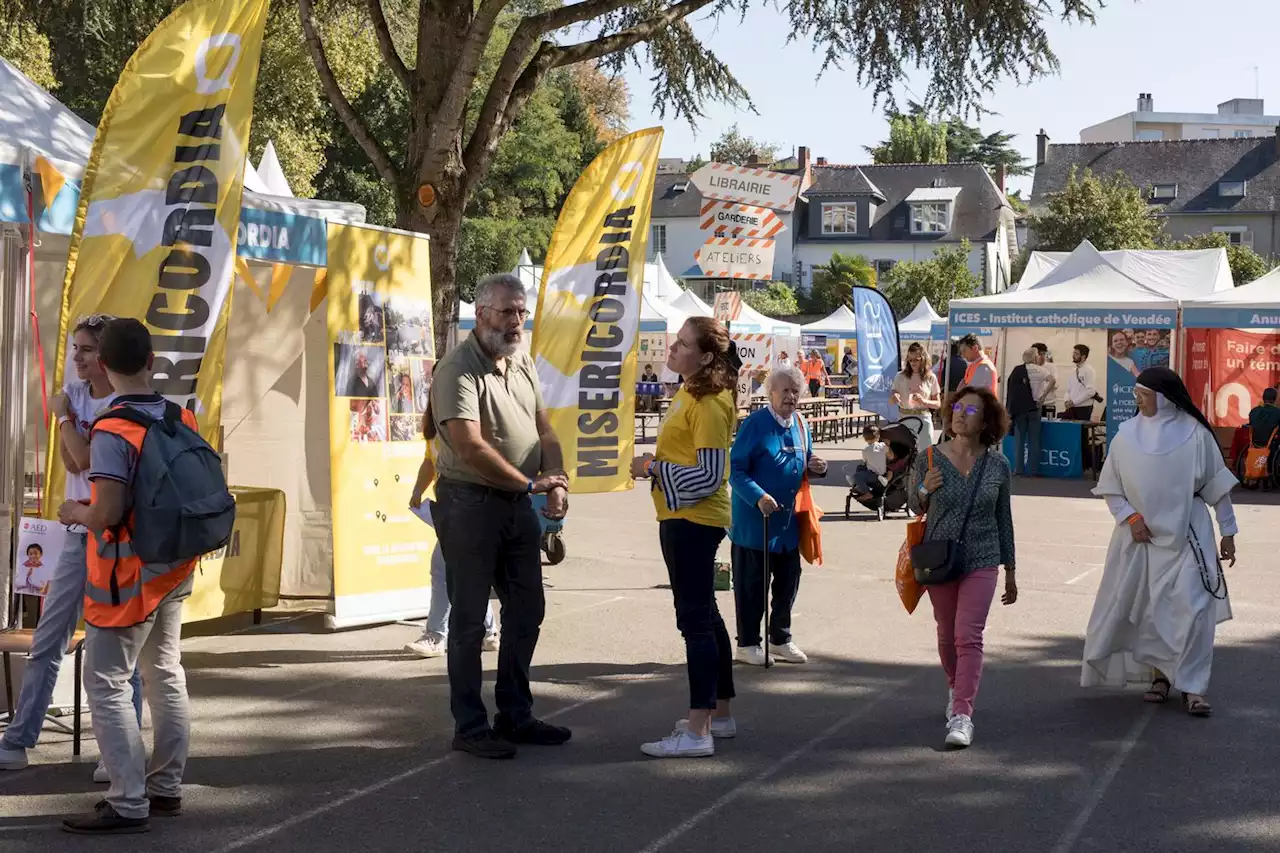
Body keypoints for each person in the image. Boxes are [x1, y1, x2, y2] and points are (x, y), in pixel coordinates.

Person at [56, 318, 210, 833]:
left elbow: (106, 511)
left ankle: (127, 800)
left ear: (103, 365)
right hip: (173, 566)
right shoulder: (179, 415)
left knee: (105, 680)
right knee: (164, 673)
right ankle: (165, 788)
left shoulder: (112, 427)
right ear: (150, 361)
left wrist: (75, 511)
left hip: (126, 576)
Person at [429, 273, 570, 760]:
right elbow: (468, 446)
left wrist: (557, 479)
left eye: (521, 312)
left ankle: (516, 714)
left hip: (516, 503)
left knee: (528, 608)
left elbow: (544, 429)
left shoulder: (521, 359)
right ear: (481, 312)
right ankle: (470, 727)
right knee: (469, 621)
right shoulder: (457, 368)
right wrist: (531, 483)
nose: (516, 321)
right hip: (469, 503)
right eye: (507, 311)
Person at [0, 314, 144, 785]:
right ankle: (19, 740)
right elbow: (68, 460)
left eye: (85, 350)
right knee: (48, 638)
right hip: (78, 534)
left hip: (116, 536)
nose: (76, 358)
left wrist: (64, 418)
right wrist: (68, 421)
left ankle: (119, 750)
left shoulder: (119, 404)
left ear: (105, 357)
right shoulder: (76, 395)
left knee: (120, 651)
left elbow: (82, 458)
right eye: (74, 348)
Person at [1083, 367, 1238, 717]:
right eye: (1136, 394)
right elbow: (1111, 488)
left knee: (1195, 611)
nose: (1137, 400)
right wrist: (1130, 517)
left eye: (1144, 395)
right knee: (1152, 612)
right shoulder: (1126, 435)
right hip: (1141, 540)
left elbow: (1217, 486)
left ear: (1165, 399)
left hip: (1190, 535)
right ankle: (1160, 678)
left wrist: (1228, 532)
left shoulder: (1196, 434)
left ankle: (1195, 687)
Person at [630, 317, 739, 758]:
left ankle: (698, 731)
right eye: (674, 342)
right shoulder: (691, 390)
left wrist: (653, 468)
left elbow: (711, 475)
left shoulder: (710, 402)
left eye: (682, 344)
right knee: (706, 617)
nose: (672, 350)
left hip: (694, 519)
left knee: (694, 620)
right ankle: (720, 716)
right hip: (683, 516)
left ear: (707, 356)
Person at [909, 385, 1017, 749]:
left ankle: (962, 714)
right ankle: (956, 686)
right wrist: (924, 489)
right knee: (946, 634)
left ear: (985, 421)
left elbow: (1005, 518)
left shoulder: (998, 464)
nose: (960, 414)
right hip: (940, 558)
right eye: (957, 407)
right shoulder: (928, 458)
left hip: (983, 559)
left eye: (970, 410)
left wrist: (1011, 569)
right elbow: (913, 505)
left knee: (968, 635)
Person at [727, 365, 828, 667]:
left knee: (787, 584)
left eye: (795, 391)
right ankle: (747, 644)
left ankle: (780, 639)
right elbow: (735, 469)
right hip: (754, 524)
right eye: (784, 390)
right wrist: (758, 496)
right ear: (770, 392)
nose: (790, 396)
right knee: (751, 588)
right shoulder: (755, 424)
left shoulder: (800, 423)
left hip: (786, 525)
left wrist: (815, 466)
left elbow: (804, 459)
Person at [406, 407, 499, 659]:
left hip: (471, 507)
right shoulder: (435, 424)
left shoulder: (469, 420)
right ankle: (488, 632)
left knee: (443, 569)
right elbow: (430, 461)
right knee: (463, 570)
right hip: (450, 508)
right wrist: (417, 490)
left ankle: (436, 635)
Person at [1006, 348, 1054, 476]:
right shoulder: (1042, 370)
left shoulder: (1017, 370)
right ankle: (1033, 470)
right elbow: (1053, 380)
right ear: (1034, 357)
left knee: (1019, 441)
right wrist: (1043, 396)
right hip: (1035, 407)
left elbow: (1011, 389)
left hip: (1020, 409)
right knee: (1034, 440)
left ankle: (1018, 469)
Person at [890, 344, 942, 449]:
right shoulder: (900, 376)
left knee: (924, 454)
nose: (913, 363)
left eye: (916, 360)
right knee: (904, 453)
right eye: (910, 360)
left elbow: (938, 404)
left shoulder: (930, 377)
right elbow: (892, 398)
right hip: (904, 417)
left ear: (923, 359)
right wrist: (894, 396)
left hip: (923, 418)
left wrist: (924, 401)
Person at [1063, 344, 1100, 421]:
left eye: (1076, 354)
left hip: (1084, 407)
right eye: (1073, 353)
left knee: (1081, 432)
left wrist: (1074, 402)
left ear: (1083, 356)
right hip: (1072, 407)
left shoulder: (1089, 370)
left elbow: (1091, 391)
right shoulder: (1073, 371)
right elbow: (1068, 390)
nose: (1073, 355)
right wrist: (1066, 400)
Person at [849, 424, 889, 497]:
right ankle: (858, 485)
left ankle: (867, 492)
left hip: (873, 475)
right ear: (878, 436)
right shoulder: (883, 446)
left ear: (864, 438)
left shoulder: (865, 450)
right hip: (883, 472)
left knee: (857, 475)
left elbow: (865, 461)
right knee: (860, 468)